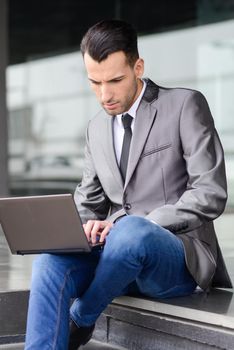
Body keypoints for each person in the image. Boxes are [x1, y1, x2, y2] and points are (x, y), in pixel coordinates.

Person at [25, 19, 232, 349]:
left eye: (115, 80)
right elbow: (89, 203)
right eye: (94, 82)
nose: (104, 94)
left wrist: (139, 224)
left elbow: (210, 192)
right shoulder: (96, 128)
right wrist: (80, 228)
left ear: (138, 67)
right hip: (115, 260)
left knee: (132, 230)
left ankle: (82, 317)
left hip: (175, 259)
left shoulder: (183, 105)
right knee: (49, 264)